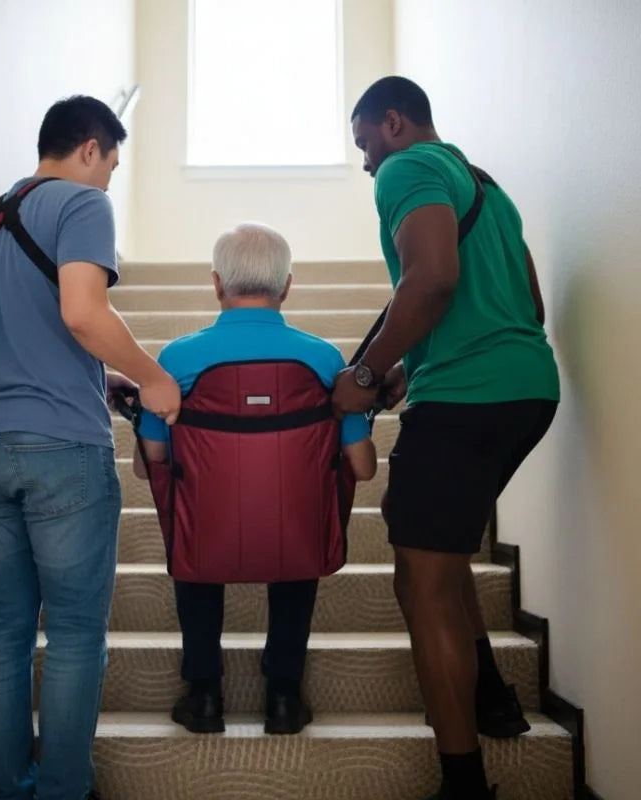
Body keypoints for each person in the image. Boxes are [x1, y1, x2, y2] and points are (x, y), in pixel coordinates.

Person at [332, 77, 560, 800]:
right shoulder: (483, 182)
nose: (367, 163)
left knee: (418, 579)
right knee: (445, 544)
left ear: (392, 123)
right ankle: (490, 689)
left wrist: (365, 373)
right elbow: (529, 302)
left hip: (466, 398)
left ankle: (463, 783)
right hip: (529, 387)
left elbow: (430, 281)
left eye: (364, 142)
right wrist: (407, 364)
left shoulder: (407, 168)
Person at [0, 95, 180, 800]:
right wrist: (151, 377)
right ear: (90, 147)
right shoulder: (82, 206)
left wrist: (97, 375)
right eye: (111, 164)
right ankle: (60, 790)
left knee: (5, 627)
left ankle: (7, 787)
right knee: (77, 628)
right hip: (59, 450)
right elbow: (83, 311)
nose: (110, 180)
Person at [133, 223, 377, 735]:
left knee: (194, 546)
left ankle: (203, 694)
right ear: (287, 286)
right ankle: (284, 696)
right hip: (296, 528)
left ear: (217, 283)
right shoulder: (326, 359)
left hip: (207, 526)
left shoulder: (175, 359)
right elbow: (363, 467)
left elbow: (151, 458)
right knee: (299, 531)